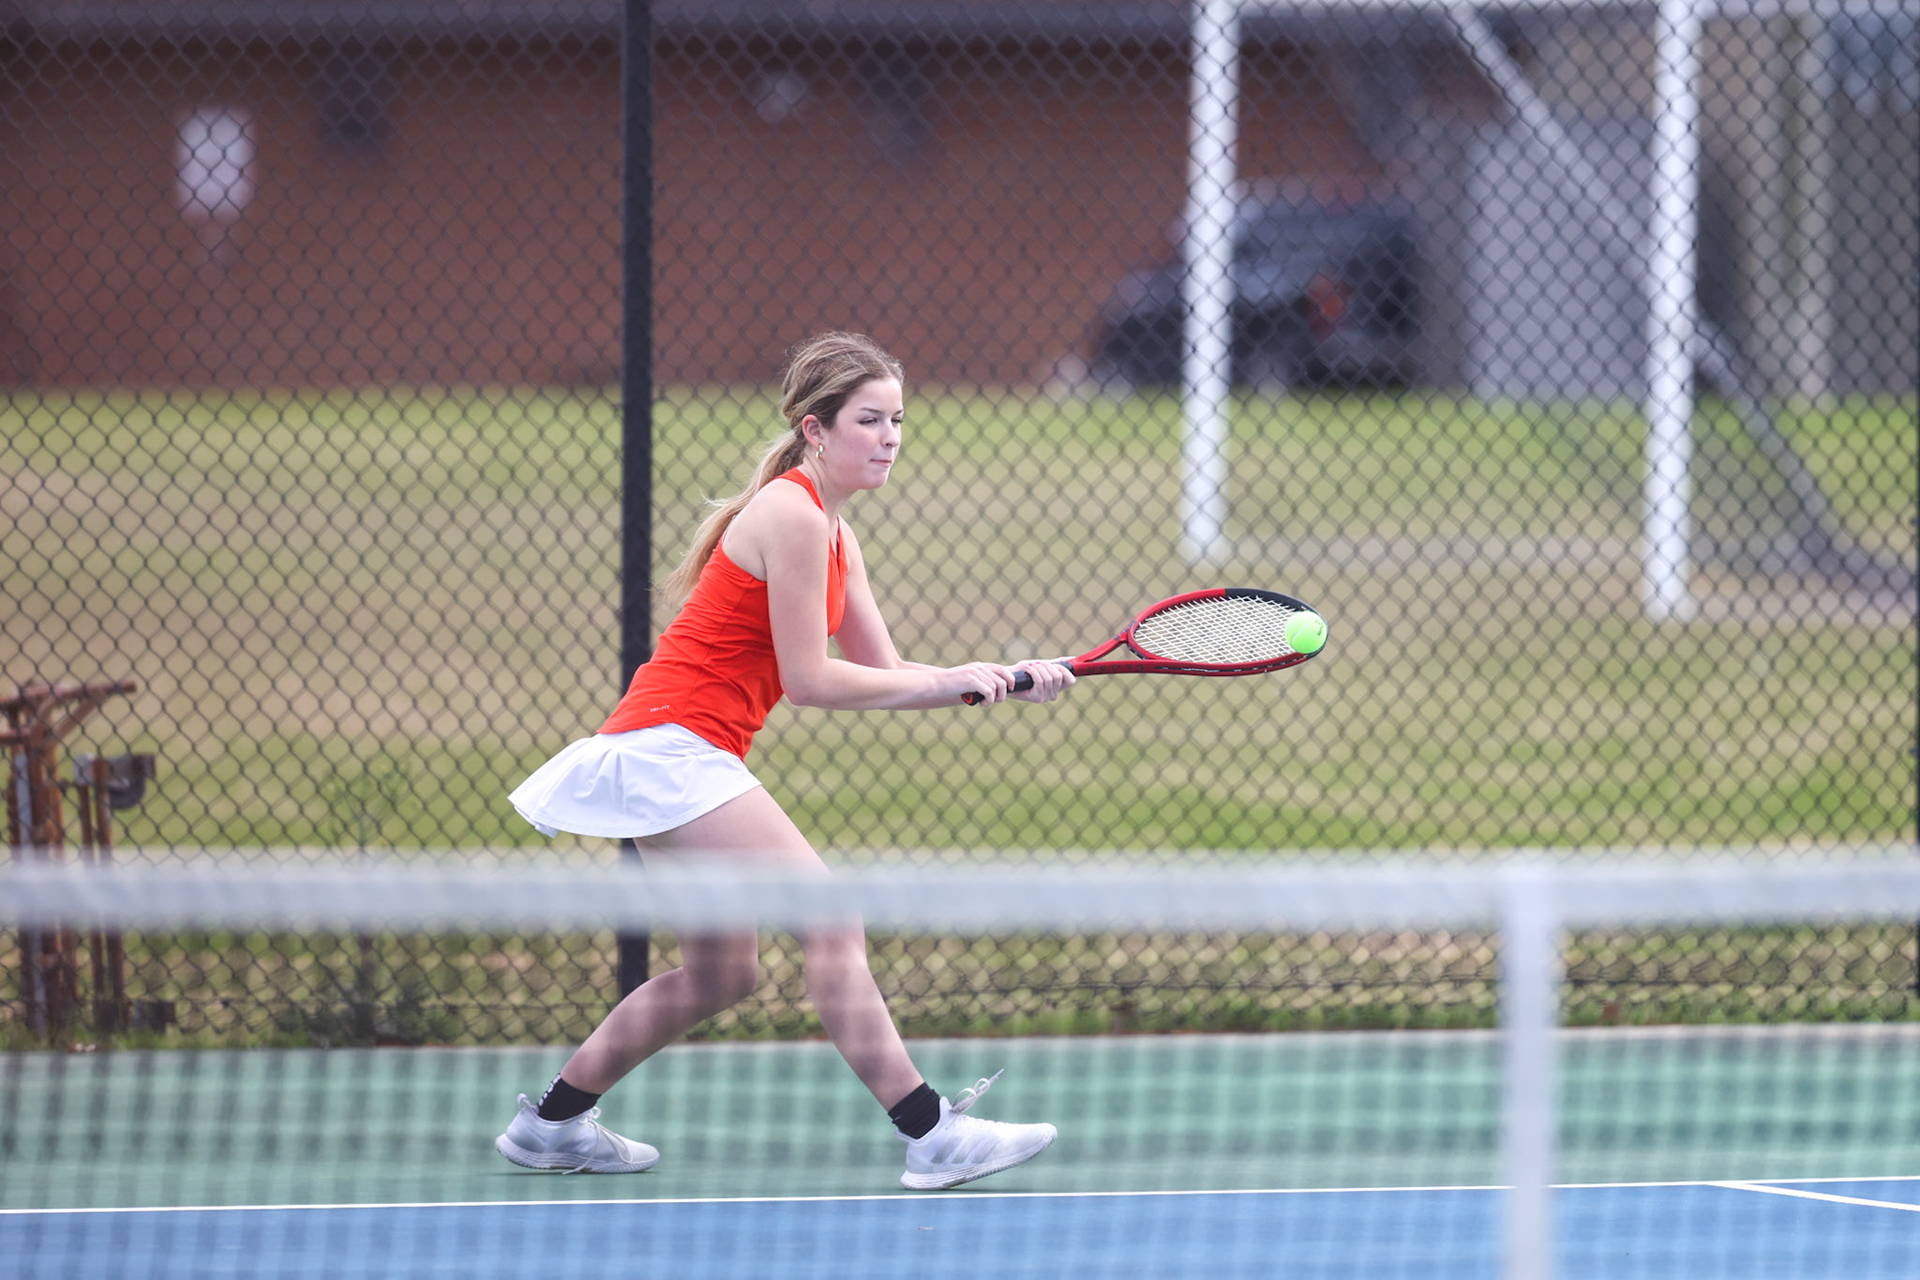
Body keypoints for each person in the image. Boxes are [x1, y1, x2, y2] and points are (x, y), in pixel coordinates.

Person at [498, 331, 1074, 1190]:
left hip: (671, 754)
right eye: (869, 419)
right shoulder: (792, 514)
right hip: (671, 751)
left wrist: (1002, 679)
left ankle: (550, 1125)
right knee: (831, 917)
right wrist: (950, 682)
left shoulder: (836, 534)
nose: (889, 437)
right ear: (815, 429)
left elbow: (882, 669)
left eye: (898, 420)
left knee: (723, 972)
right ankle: (933, 1135)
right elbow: (810, 681)